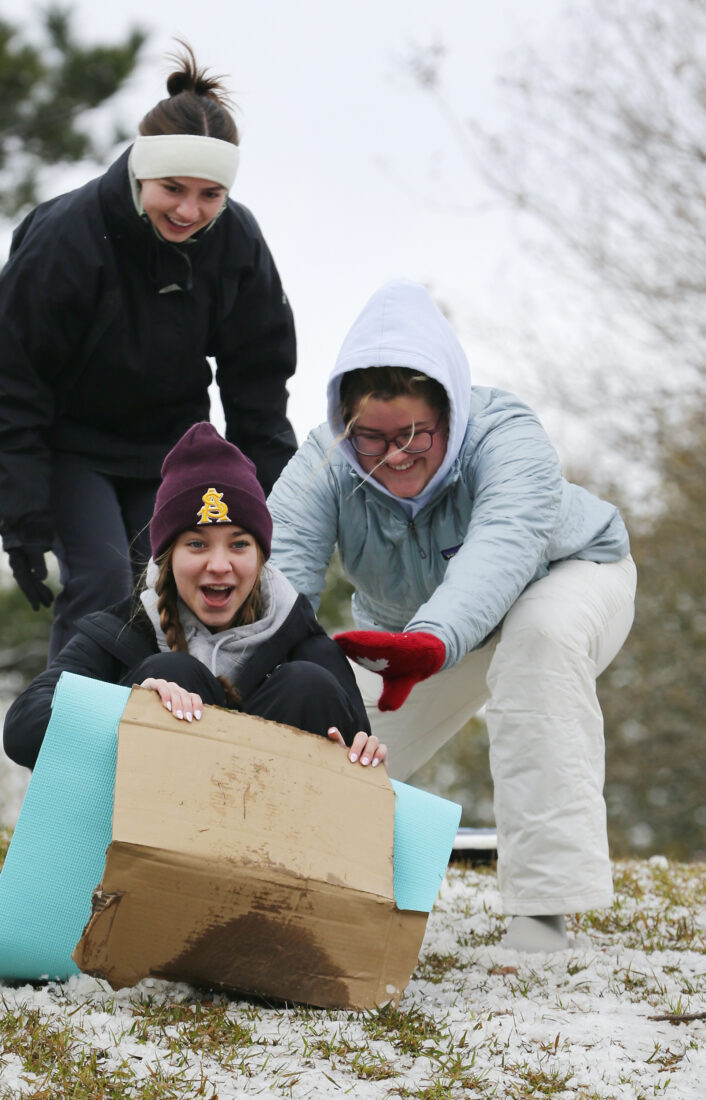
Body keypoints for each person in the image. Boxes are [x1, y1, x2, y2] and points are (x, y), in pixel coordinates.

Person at [267, 278, 637, 953]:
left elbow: (503, 546)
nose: (394, 454)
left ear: (450, 413)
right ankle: (279, 887)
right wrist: (257, 673)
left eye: (412, 432)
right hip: (413, 636)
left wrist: (434, 640)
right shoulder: (322, 461)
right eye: (371, 438)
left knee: (540, 645)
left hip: (562, 580)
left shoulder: (507, 434)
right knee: (327, 735)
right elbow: (281, 580)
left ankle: (543, 918)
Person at [0, 43, 297, 660]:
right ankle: (69, 733)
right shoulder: (67, 240)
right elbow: (8, 380)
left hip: (170, 450)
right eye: (173, 188)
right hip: (74, 450)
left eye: (209, 196)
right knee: (99, 583)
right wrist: (20, 518)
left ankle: (169, 733)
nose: (189, 211)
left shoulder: (236, 243)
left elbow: (258, 382)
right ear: (142, 172)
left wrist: (268, 505)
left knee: (168, 587)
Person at [3, 423, 383, 774]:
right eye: (197, 544)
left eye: (238, 545)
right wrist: (128, 709)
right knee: (171, 674)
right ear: (167, 557)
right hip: (152, 833)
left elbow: (368, 769)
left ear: (261, 556)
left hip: (273, 833)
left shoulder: (305, 642)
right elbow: (23, 726)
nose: (219, 565)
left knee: (308, 685)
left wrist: (365, 753)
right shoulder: (120, 631)